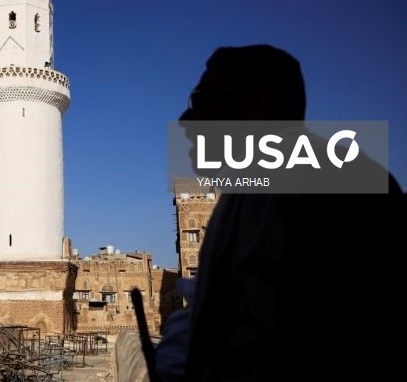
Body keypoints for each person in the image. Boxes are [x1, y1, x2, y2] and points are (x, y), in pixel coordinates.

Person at [160, 45, 404, 381]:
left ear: (256, 102)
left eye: (201, 99)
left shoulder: (338, 185)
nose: (185, 120)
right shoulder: (244, 193)